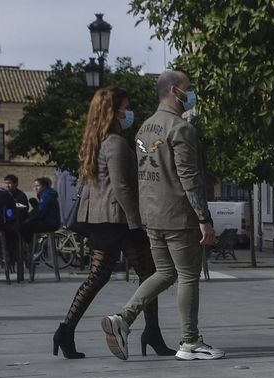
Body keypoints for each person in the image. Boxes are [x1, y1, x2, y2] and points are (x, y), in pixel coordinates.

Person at [100, 69, 223, 362]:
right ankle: (190, 341)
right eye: (188, 89)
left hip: (152, 214)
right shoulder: (180, 128)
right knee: (188, 276)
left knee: (165, 272)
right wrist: (203, 218)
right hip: (179, 215)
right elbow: (189, 176)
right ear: (173, 90)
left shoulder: (144, 128)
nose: (191, 94)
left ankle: (124, 318)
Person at [54, 86, 170, 360]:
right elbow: (121, 187)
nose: (130, 111)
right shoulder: (115, 142)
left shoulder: (99, 140)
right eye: (126, 106)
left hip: (103, 219)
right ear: (114, 110)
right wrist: (137, 222)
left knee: (103, 276)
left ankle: (66, 331)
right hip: (118, 219)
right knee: (148, 274)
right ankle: (151, 333)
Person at [2, 174, 31, 281]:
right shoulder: (4, 195)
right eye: (6, 183)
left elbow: (23, 210)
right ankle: (8, 257)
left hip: (19, 224)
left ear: (16, 184)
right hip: (7, 224)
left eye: (9, 183)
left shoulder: (21, 196)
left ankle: (19, 257)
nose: (7, 185)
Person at [23, 175, 62, 252]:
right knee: (26, 226)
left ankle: (32, 251)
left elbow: (41, 213)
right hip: (50, 222)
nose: (35, 188)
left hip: (50, 222)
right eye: (34, 186)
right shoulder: (45, 194)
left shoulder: (46, 195)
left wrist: (29, 219)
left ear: (44, 186)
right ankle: (32, 250)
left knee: (25, 227)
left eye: (38, 186)